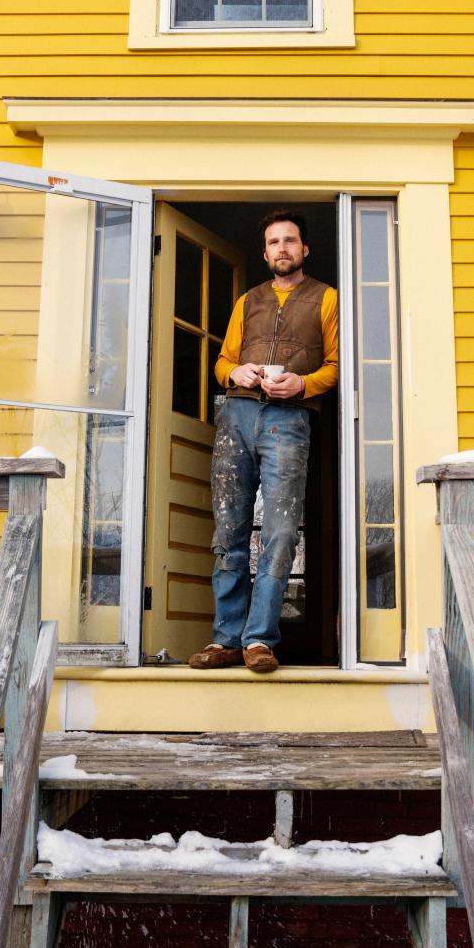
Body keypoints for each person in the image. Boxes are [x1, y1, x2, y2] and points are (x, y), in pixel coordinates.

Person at [189, 209, 338, 674]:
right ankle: (225, 639)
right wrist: (235, 372)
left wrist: (303, 385)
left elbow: (335, 366)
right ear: (265, 252)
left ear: (304, 249)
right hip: (236, 415)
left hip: (289, 421)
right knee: (228, 532)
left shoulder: (327, 299)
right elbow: (222, 362)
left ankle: (258, 640)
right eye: (274, 242)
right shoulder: (247, 301)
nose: (282, 249)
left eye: (290, 241)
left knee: (278, 531)